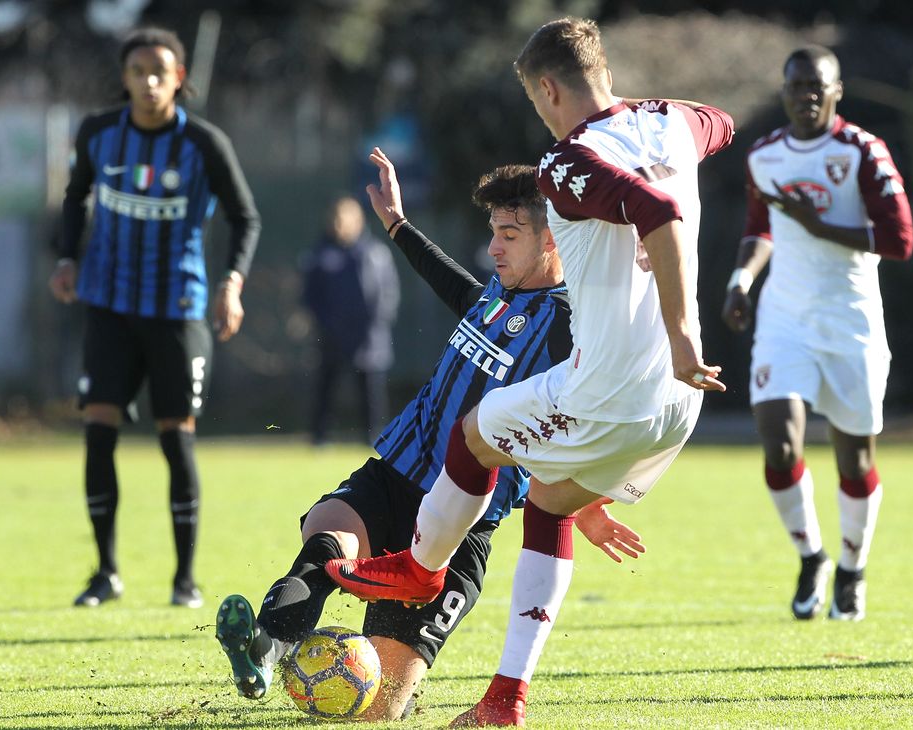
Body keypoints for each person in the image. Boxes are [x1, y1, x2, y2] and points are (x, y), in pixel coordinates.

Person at [326, 17, 733, 727]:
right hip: (676, 406)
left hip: (615, 381)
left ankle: (421, 567)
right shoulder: (667, 122)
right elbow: (720, 123)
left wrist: (683, 334)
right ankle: (504, 701)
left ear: (548, 89)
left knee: (473, 435)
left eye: (537, 99)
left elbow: (657, 208)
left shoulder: (565, 164)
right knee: (547, 502)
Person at [214, 148, 643, 720]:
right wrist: (396, 223)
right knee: (325, 545)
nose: (494, 246)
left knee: (379, 708)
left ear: (553, 240)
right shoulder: (492, 295)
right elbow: (447, 277)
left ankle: (322, 666)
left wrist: (582, 501)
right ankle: (267, 645)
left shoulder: (568, 326)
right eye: (493, 231)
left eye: (510, 234)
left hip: (460, 526)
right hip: (392, 479)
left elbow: (583, 421)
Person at [48, 26, 260, 609]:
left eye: (158, 72)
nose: (147, 82)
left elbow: (246, 217)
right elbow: (74, 196)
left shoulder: (204, 143)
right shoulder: (98, 134)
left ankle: (184, 580)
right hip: (109, 306)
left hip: (178, 310)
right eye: (137, 71)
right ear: (125, 77)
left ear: (178, 79)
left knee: (176, 438)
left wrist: (231, 283)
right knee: (98, 431)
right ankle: (105, 572)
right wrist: (67, 258)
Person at [720, 46, 913, 622]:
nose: (805, 95)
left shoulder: (861, 152)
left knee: (854, 461)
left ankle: (852, 572)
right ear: (783, 92)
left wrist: (819, 225)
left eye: (816, 86)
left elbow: (900, 240)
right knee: (779, 443)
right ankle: (812, 556)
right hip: (786, 318)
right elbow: (762, 228)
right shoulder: (765, 155)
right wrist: (740, 282)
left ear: (837, 92)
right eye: (795, 86)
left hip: (852, 321)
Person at [300, 196, 400, 444]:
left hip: (368, 338)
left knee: (370, 393)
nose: (336, 225)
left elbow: (388, 293)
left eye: (342, 220)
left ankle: (373, 438)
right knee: (326, 389)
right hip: (332, 337)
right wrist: (325, 324)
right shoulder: (320, 254)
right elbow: (310, 296)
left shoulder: (376, 253)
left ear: (358, 221)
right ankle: (319, 439)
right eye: (334, 219)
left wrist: (376, 324)